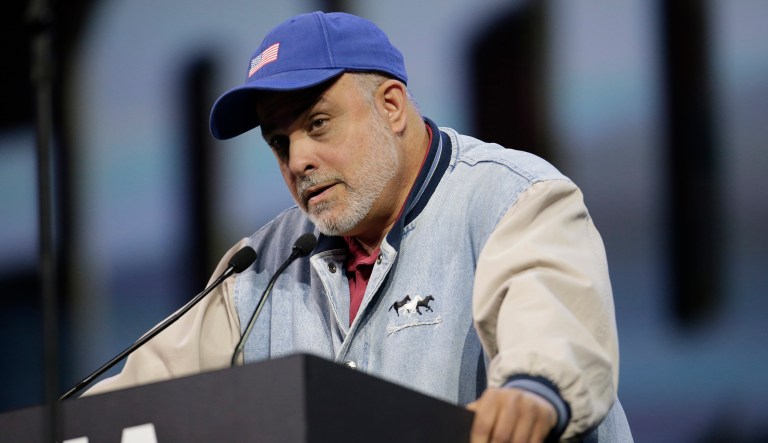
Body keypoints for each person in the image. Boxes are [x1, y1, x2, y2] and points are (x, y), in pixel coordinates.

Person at [86, 11, 632, 442]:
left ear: (391, 106)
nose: (297, 160)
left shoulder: (512, 197)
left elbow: (555, 324)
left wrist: (531, 391)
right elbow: (133, 403)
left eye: (317, 123)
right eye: (279, 142)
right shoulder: (259, 267)